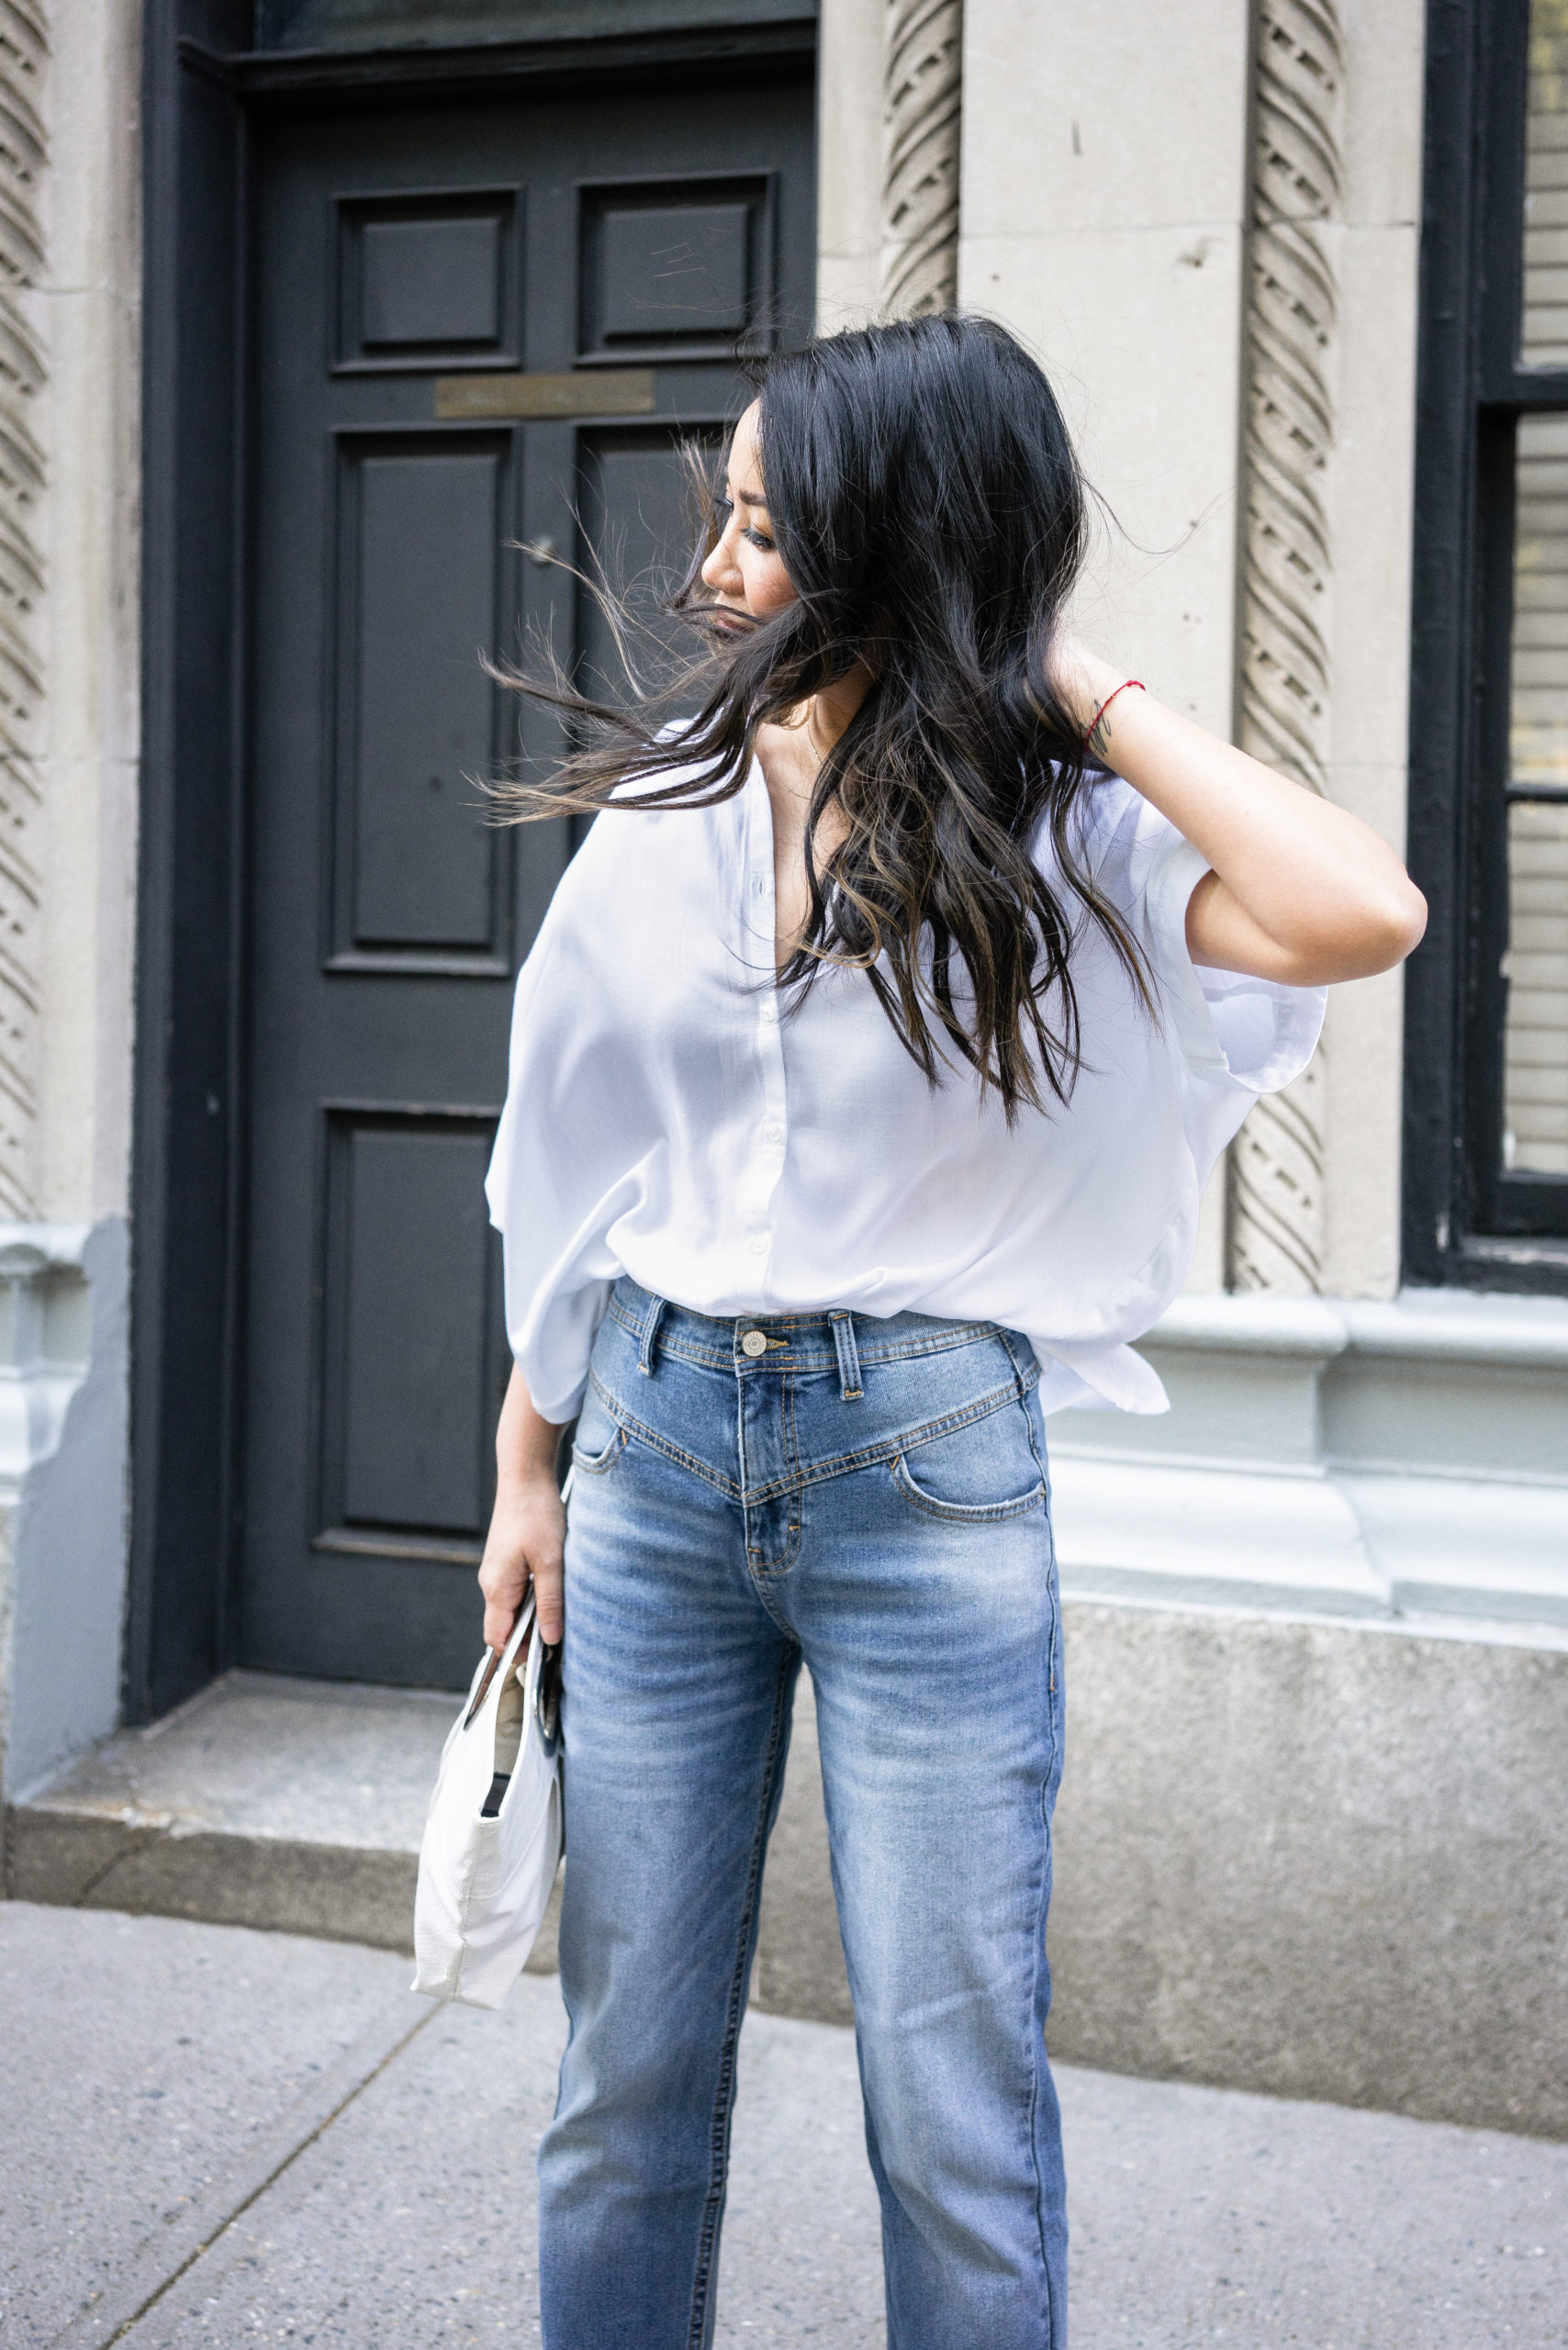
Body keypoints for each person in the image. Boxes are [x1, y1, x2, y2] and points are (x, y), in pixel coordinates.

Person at [476, 315, 1426, 2350]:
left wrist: (1066, 680)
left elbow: (1363, 911)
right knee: (621, 2081)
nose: (714, 571)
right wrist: (526, 1464)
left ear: (892, 550)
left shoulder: (1065, 838)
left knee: (951, 2104)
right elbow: (576, 1157)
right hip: (649, 1443)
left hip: (925, 1476)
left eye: (763, 529)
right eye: (725, 517)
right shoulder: (676, 802)